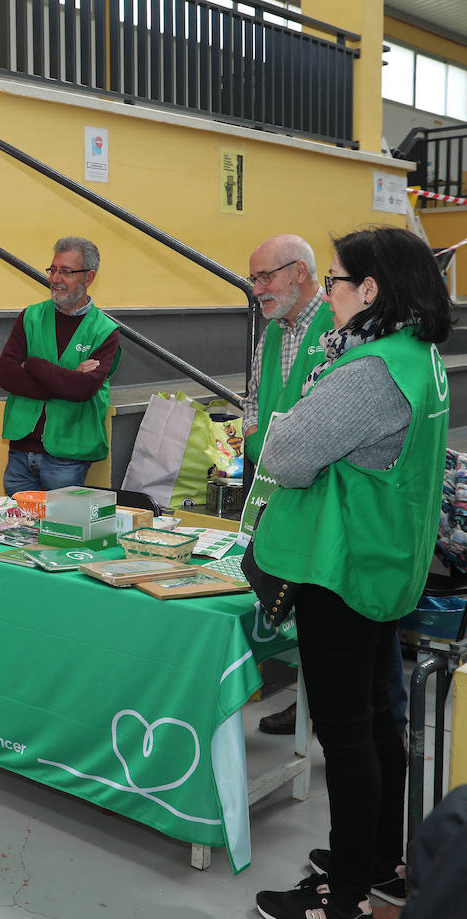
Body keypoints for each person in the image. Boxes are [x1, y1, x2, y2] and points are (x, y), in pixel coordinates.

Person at [251, 227, 451, 919]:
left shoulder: (368, 371)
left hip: (341, 570)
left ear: (370, 291)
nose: (329, 294)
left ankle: (347, 896)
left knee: (347, 734)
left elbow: (285, 454)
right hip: (386, 563)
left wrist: (287, 427)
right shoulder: (420, 358)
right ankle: (377, 861)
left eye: (335, 282)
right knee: (375, 724)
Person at [240, 234, 337, 736]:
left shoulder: (337, 327)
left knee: (321, 603)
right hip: (274, 484)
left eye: (264, 277)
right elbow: (252, 403)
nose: (256, 289)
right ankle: (309, 705)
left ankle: (334, 714)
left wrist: (271, 446)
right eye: (254, 278)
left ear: (298, 272)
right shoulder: (275, 330)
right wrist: (259, 443)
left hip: (321, 489)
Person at [0, 236, 121, 496]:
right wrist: (66, 380)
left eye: (66, 272)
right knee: (15, 532)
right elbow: (5, 375)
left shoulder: (105, 331)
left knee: (61, 533)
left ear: (89, 277)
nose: (55, 279)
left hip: (68, 455)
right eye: (53, 270)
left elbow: (83, 389)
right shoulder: (31, 316)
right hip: (20, 449)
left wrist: (32, 364)